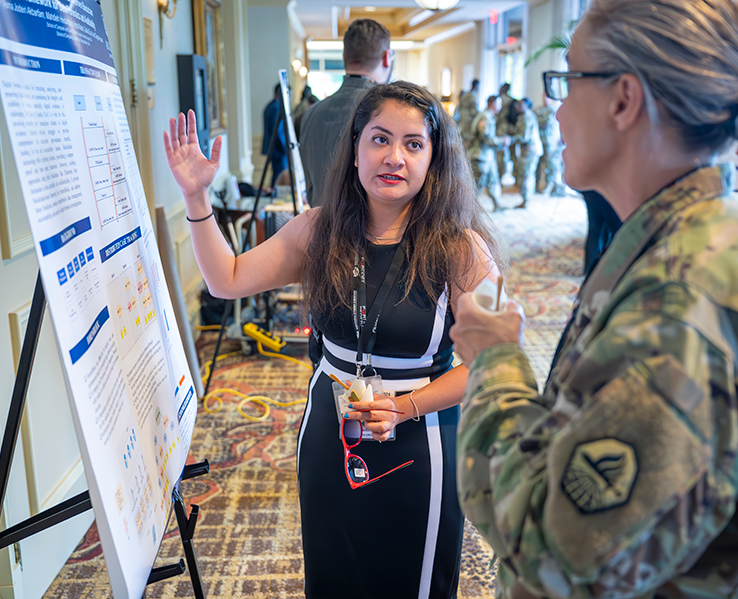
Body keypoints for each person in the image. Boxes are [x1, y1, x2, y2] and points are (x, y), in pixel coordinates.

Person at [451, 0, 738, 598]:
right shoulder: (712, 229)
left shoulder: (679, 303)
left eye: (568, 81)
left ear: (623, 99)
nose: (559, 108)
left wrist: (494, 363)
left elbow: (559, 558)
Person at [164, 81, 504, 598]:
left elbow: (498, 359)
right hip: (332, 431)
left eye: (413, 144)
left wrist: (406, 406)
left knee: (413, 580)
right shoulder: (318, 231)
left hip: (422, 438)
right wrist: (196, 198)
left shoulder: (460, 249)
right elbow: (226, 279)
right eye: (379, 139)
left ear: (434, 158)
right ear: (355, 147)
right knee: (334, 575)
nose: (394, 157)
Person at [300, 19, 393, 207]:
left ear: (344, 56)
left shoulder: (310, 114)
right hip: (367, 232)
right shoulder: (385, 112)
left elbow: (310, 187)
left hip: (318, 227)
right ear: (386, 57)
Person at [469, 95, 507, 210]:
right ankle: (468, 209)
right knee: (478, 184)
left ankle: (496, 204)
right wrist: (502, 141)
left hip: (488, 156)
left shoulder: (489, 116)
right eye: (498, 104)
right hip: (481, 156)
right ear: (493, 103)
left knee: (493, 180)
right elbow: (486, 138)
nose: (500, 107)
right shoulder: (485, 117)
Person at [506, 98, 542, 209]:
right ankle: (526, 199)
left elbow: (524, 137)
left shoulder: (526, 117)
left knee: (526, 175)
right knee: (526, 174)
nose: (518, 107)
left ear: (526, 106)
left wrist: (509, 140)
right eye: (518, 105)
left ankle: (526, 200)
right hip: (529, 149)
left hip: (530, 150)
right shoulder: (524, 116)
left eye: (521, 105)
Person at [535, 92, 566, 196]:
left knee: (552, 165)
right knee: (540, 165)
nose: (545, 99)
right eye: (543, 96)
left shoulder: (555, 109)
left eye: (547, 97)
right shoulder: (539, 109)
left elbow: (545, 121)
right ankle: (540, 186)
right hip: (540, 142)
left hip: (552, 143)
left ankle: (555, 187)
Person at [261, 83, 288, 186]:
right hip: (278, 150)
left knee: (276, 174)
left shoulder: (270, 105)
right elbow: (277, 131)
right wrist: (285, 148)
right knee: (279, 176)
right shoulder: (276, 107)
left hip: (274, 149)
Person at [496, 83, 514, 179]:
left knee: (500, 153)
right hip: (510, 129)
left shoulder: (501, 99)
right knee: (508, 153)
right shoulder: (511, 100)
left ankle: (500, 174)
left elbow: (497, 115)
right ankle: (504, 173)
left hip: (501, 129)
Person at [459, 79, 481, 143]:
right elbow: (474, 111)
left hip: (462, 120)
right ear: (475, 86)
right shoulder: (473, 97)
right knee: (468, 141)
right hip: (469, 122)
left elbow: (460, 107)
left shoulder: (464, 95)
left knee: (463, 139)